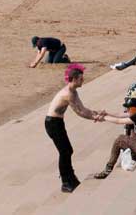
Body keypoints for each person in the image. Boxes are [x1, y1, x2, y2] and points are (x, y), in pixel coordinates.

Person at [43, 65, 113, 193]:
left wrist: (95, 113)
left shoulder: (74, 92)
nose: (83, 80)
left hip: (57, 122)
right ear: (74, 79)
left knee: (67, 150)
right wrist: (96, 118)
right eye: (81, 78)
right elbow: (79, 113)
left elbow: (83, 109)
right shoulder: (68, 94)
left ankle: (70, 177)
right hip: (52, 124)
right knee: (65, 152)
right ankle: (65, 182)